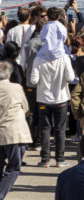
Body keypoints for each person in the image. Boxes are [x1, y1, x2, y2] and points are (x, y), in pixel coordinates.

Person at [28, 9, 75, 168]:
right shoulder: (64, 57)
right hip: (60, 97)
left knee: (45, 128)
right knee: (60, 129)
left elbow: (33, 80)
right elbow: (70, 78)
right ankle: (60, 159)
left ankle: (45, 159)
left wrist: (43, 80)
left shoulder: (39, 58)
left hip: (43, 97)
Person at [0, 61, 30, 199]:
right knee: (13, 168)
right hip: (13, 132)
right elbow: (26, 109)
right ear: (9, 75)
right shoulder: (16, 88)